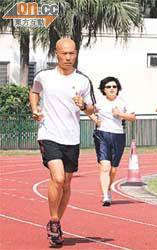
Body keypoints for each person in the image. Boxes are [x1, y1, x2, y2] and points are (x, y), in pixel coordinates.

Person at [30, 37, 95, 246]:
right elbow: (34, 92)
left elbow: (92, 109)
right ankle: (54, 220)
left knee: (66, 184)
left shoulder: (84, 80)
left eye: (72, 53)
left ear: (76, 53)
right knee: (57, 178)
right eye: (64, 53)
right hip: (49, 134)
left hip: (71, 137)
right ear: (56, 54)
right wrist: (35, 109)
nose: (68, 57)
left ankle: (56, 222)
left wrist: (84, 105)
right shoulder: (44, 76)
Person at [88, 76, 136, 206]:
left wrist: (120, 115)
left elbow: (132, 117)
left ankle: (108, 188)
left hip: (118, 135)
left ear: (118, 88)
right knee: (105, 167)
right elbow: (88, 110)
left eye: (114, 86)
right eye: (108, 87)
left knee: (113, 170)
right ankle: (105, 196)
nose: (111, 89)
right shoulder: (99, 102)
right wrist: (95, 119)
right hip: (102, 134)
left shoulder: (123, 102)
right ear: (104, 89)